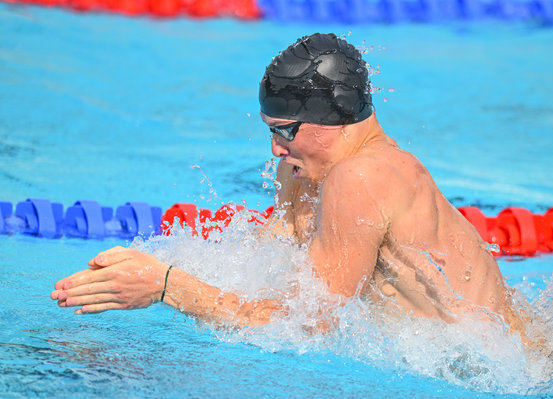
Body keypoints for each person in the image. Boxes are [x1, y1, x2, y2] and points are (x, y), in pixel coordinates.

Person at [50, 33, 520, 333]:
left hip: (516, 374)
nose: (275, 148)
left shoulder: (362, 177)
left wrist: (169, 286)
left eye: (283, 131)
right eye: (270, 130)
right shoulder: (305, 167)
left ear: (329, 120)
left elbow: (306, 327)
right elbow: (265, 257)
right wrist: (148, 267)